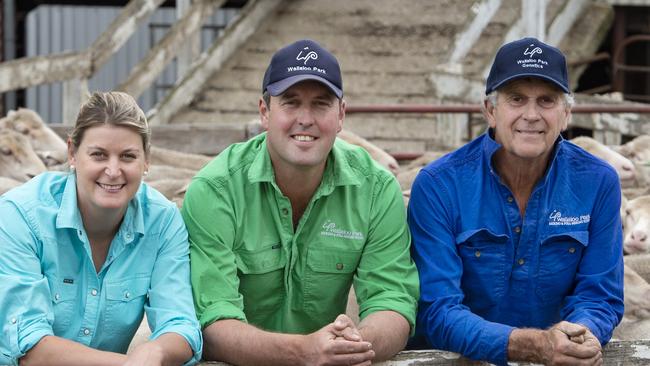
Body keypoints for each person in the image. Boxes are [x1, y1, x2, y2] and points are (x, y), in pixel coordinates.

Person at [182, 39, 419, 366]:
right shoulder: (215, 190)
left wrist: (355, 345)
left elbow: (393, 300)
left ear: (341, 115)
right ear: (264, 112)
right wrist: (304, 352)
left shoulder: (377, 189)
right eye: (290, 103)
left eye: (321, 104)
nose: (305, 118)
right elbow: (211, 322)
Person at [408, 37, 624, 366]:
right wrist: (532, 345)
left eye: (547, 100)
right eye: (516, 99)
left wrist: (580, 333)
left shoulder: (598, 182)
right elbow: (437, 309)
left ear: (566, 114)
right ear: (491, 111)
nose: (532, 114)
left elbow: (600, 295)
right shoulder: (439, 185)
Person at [0, 92, 202, 365]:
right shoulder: (20, 215)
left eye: (128, 156)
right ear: (72, 153)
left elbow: (180, 323)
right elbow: (29, 346)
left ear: (146, 160)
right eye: (99, 155)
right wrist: (130, 363)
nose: (113, 170)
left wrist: (156, 351)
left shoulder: (163, 222)